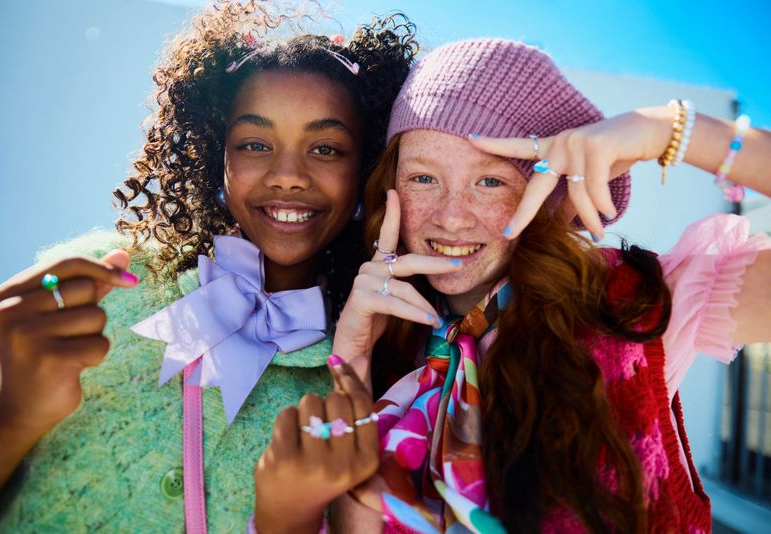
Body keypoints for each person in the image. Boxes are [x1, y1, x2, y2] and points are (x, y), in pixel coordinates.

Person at [0, 2, 417, 531]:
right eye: (254, 143)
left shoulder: (370, 370)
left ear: (367, 167)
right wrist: (12, 412)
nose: (288, 175)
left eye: (325, 148)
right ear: (217, 156)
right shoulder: (88, 284)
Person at [316, 38, 770, 532]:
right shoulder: (392, 345)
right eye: (424, 178)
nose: (450, 216)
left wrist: (671, 130)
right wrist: (355, 362)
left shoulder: (620, 305)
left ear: (546, 194)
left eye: (489, 181)